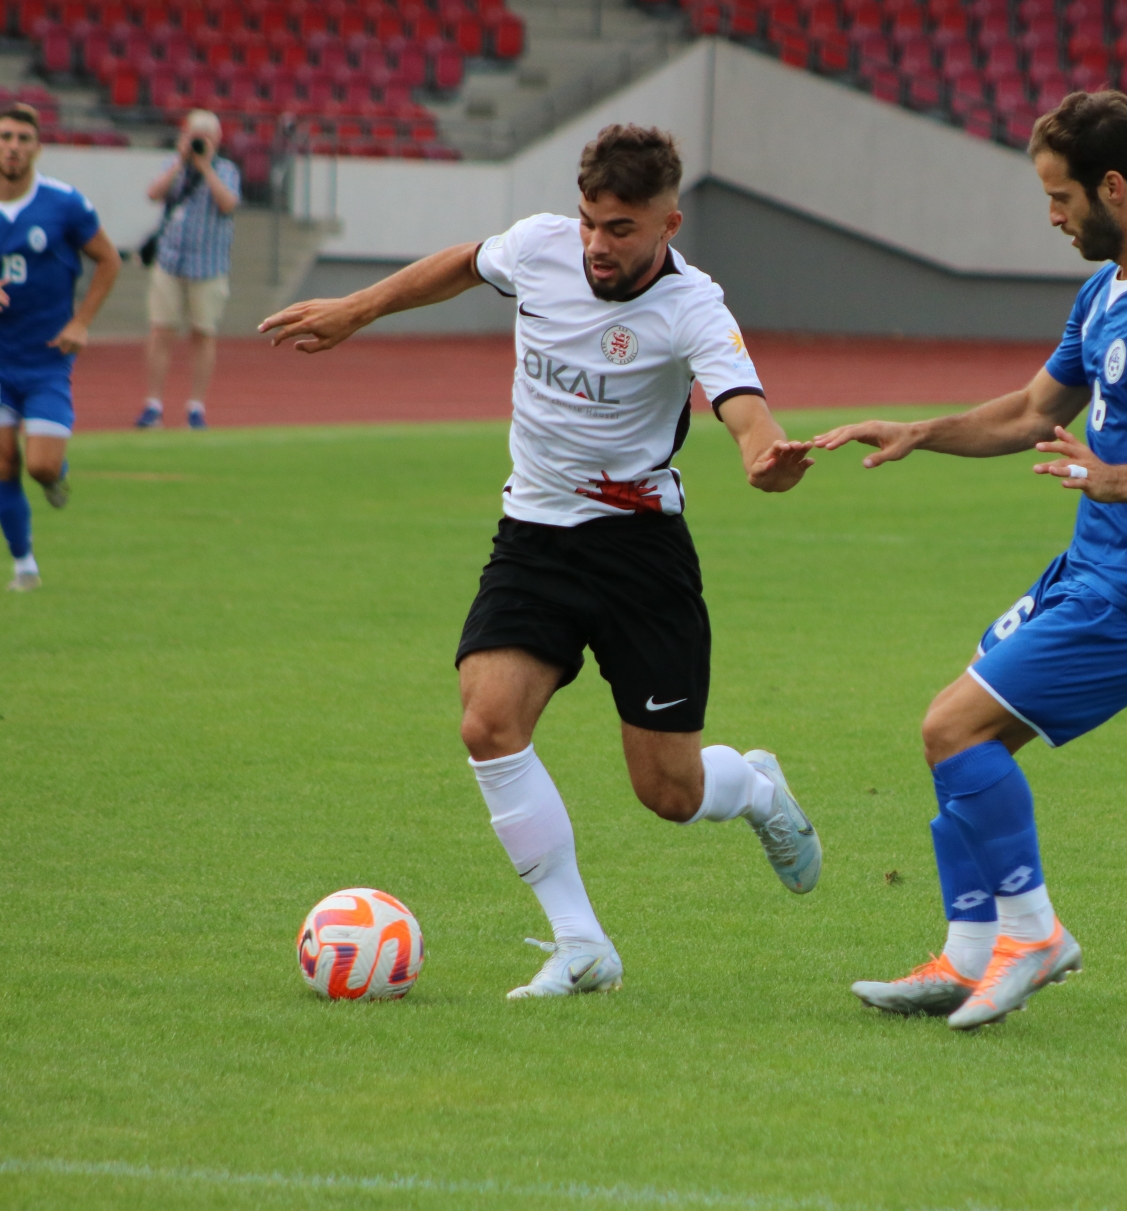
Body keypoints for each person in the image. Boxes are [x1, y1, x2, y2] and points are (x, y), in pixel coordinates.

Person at [258, 125, 822, 999]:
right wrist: (357, 309)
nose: (598, 243)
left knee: (669, 793)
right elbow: (463, 263)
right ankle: (582, 944)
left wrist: (765, 458)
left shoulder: (695, 307)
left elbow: (745, 407)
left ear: (668, 224)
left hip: (640, 554)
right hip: (534, 537)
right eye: (590, 221)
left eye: (621, 229)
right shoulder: (540, 247)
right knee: (488, 723)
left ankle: (752, 787)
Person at [814, 92, 1127, 1030]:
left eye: (1061, 196)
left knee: (952, 728)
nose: (1053, 216)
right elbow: (1030, 413)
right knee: (958, 742)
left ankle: (1036, 937)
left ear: (1114, 187)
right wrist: (920, 431)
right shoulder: (1104, 293)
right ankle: (967, 954)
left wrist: (1121, 480)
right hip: (1086, 573)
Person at [0, 102, 121, 592]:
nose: (14, 147)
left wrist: (81, 322)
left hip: (47, 358)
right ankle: (24, 564)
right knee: (3, 459)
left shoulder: (65, 204)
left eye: (24, 139)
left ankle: (53, 475)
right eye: (5, 137)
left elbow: (109, 260)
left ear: (37, 148)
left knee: (41, 465)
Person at [136, 109, 240, 430]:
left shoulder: (226, 170)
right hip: (170, 262)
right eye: (195, 136)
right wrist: (181, 162)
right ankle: (153, 404)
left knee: (203, 335)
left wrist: (205, 167)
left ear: (217, 141)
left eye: (206, 138)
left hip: (208, 267)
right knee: (161, 332)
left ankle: (196, 406)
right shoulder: (174, 164)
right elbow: (153, 193)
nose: (200, 143)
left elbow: (228, 204)